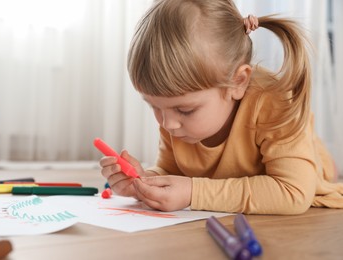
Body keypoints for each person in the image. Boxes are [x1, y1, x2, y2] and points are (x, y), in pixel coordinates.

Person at [99, 0, 343, 214]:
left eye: (185, 110)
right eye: (154, 106)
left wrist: (194, 193)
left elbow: (293, 192)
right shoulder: (172, 116)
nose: (167, 123)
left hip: (313, 170)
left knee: (320, 171)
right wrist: (144, 182)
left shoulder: (274, 100)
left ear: (238, 82)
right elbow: (173, 171)